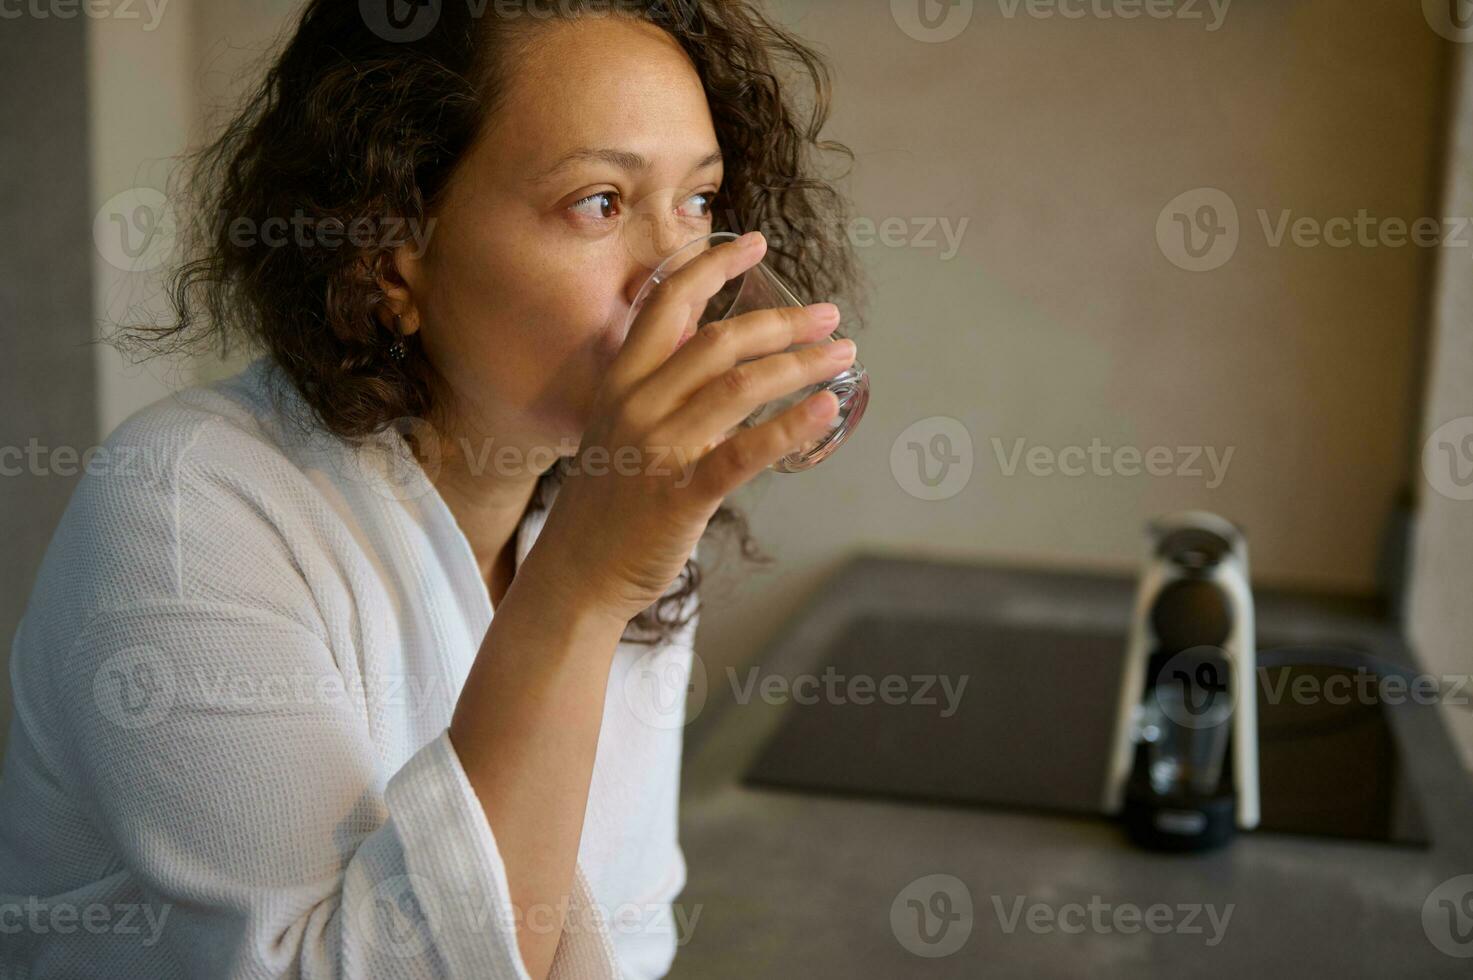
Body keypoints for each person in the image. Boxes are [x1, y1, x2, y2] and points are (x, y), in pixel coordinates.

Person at [0, 1, 862, 978]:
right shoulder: (183, 503)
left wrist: (592, 564)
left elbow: (624, 929)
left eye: (701, 204)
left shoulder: (614, 518)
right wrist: (583, 583)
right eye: (600, 203)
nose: (680, 280)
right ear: (389, 252)